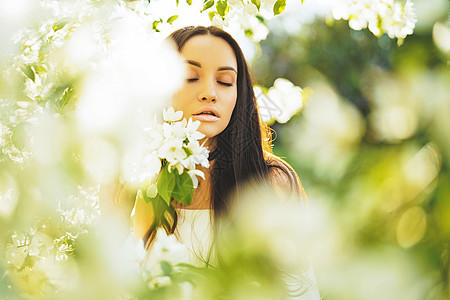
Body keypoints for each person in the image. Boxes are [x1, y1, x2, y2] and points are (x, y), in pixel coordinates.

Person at [103, 25, 319, 299]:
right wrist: (141, 225)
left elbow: (299, 291)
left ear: (238, 95)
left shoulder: (269, 181)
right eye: (190, 77)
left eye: (225, 81)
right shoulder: (131, 179)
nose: (209, 92)